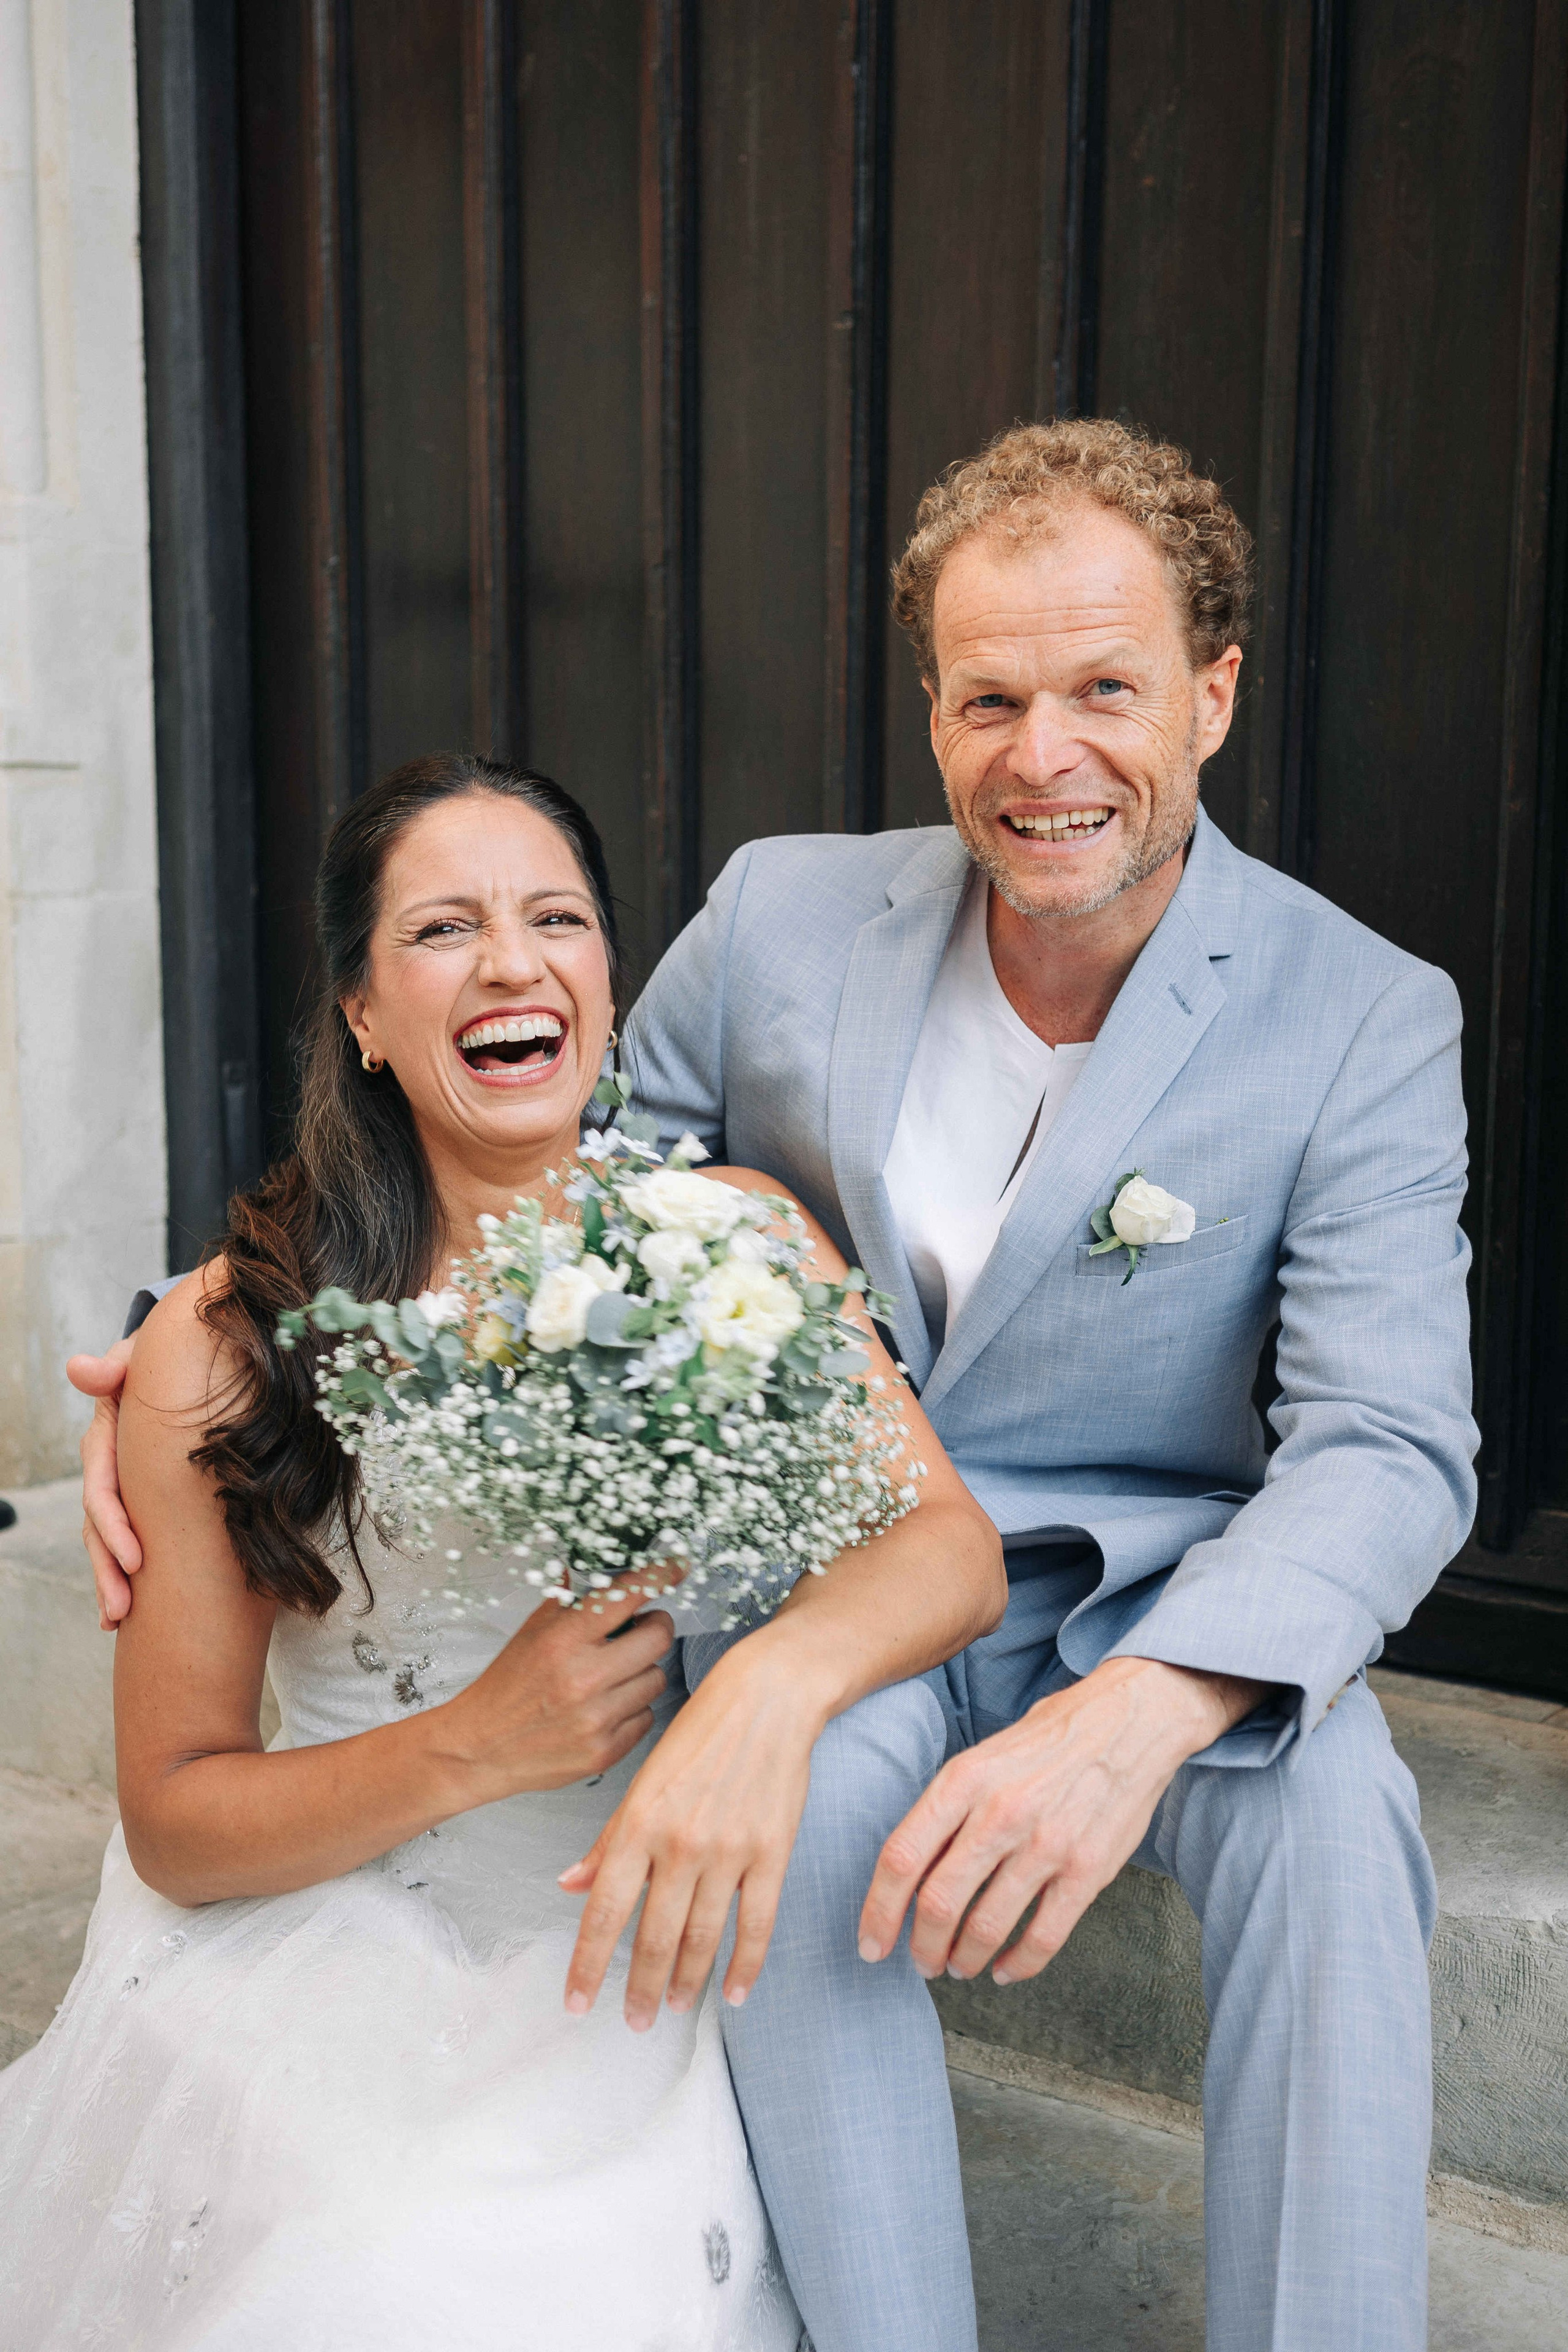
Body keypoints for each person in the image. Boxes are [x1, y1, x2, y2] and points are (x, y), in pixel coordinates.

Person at [75, 418, 1478, 2352]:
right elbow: (535, 1185)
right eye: (989, 696)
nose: (1042, 754)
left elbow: (1390, 1445)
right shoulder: (784, 919)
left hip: (1172, 1601)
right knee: (797, 1810)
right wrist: (205, 1365)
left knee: (1337, 1823)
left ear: (1215, 695)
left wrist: (1147, 1709)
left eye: (1105, 690)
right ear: (933, 707)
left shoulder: (1361, 1014)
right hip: (828, 1578)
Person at [4, 754, 1003, 2350]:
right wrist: (476, 1743)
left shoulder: (729, 1235)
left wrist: (760, 1699)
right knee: (399, 2273)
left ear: (606, 975)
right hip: (322, 1933)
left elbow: (946, 1548)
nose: (515, 963)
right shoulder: (227, 1337)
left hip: (623, 1944)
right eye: (445, 931)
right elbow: (180, 1818)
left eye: (558, 919)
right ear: (362, 1013)